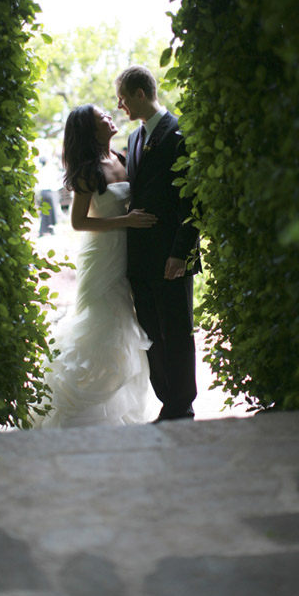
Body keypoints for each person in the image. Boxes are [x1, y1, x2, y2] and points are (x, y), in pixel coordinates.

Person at [34, 104, 158, 428]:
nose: (108, 118)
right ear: (91, 131)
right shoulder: (89, 170)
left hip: (127, 250)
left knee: (126, 324)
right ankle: (85, 410)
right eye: (100, 118)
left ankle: (118, 402)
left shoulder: (121, 157)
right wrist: (126, 220)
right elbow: (78, 222)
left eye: (106, 113)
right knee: (104, 321)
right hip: (101, 254)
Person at [115, 65, 201, 422]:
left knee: (177, 333)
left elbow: (193, 199)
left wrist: (181, 252)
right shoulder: (134, 139)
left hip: (170, 256)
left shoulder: (180, 132)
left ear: (138, 94)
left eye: (122, 99)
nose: (120, 107)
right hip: (141, 260)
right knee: (153, 336)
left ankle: (182, 407)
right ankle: (169, 400)